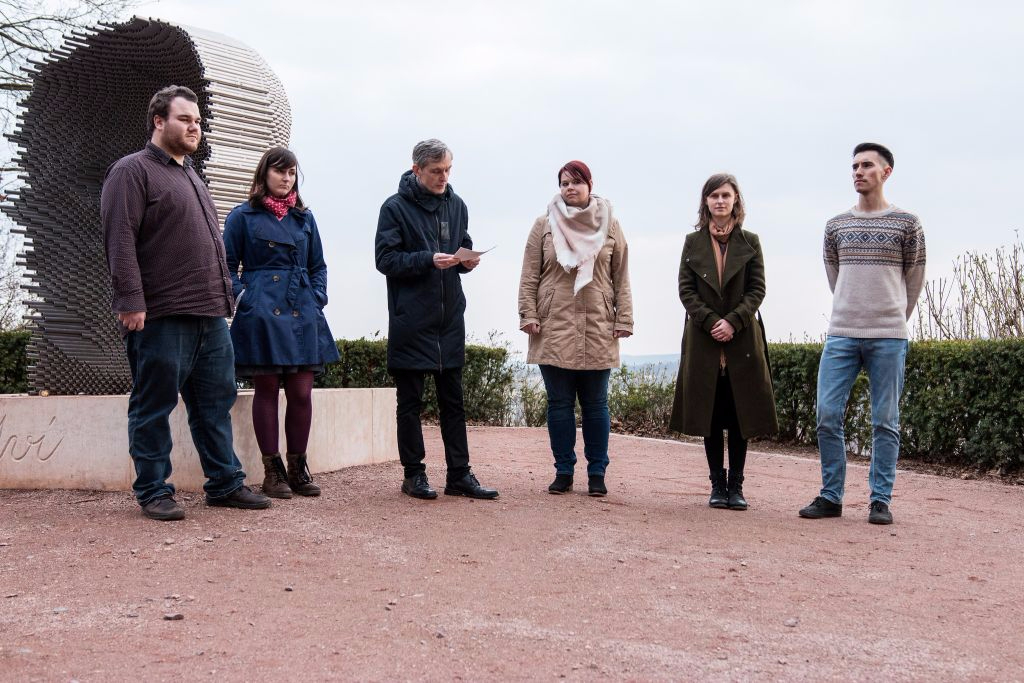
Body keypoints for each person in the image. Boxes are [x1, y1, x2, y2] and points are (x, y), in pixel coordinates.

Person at [101, 85, 271, 521]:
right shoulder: (131, 171)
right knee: (153, 406)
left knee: (215, 404)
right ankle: (153, 491)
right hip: (160, 315)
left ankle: (225, 483)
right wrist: (130, 300)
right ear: (159, 121)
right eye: (184, 119)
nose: (195, 127)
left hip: (210, 315)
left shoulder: (191, 175)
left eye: (197, 121)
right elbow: (119, 240)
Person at [799, 143, 925, 525]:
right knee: (826, 414)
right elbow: (834, 276)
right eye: (854, 166)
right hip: (842, 333)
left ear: (886, 172)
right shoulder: (835, 226)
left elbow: (914, 279)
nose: (858, 172)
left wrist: (893, 317)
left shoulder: (907, 224)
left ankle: (880, 500)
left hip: (889, 335)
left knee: (885, 420)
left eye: (867, 165)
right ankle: (831, 496)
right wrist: (852, 309)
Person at [374, 139, 499, 501]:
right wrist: (426, 259)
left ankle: (459, 475)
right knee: (410, 404)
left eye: (448, 169)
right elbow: (385, 260)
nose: (444, 177)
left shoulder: (457, 205)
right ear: (417, 170)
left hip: (450, 320)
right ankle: (413, 475)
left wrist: (467, 261)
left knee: (454, 404)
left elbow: (462, 242)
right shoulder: (394, 208)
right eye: (436, 171)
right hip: (411, 321)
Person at [222, 147, 340, 499]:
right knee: (268, 391)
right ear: (264, 174)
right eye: (279, 171)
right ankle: (272, 472)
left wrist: (317, 297)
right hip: (263, 312)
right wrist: (245, 298)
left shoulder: (305, 218)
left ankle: (297, 468)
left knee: (302, 392)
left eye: (291, 173)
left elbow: (318, 265)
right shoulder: (242, 216)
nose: (286, 178)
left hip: (302, 308)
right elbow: (226, 266)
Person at [517, 161, 633, 497]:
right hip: (554, 324)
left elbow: (621, 275)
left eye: (576, 182)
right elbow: (529, 274)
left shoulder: (610, 224)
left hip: (598, 323)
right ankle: (563, 471)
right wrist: (528, 313)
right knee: (559, 404)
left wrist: (624, 318)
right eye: (564, 183)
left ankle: (597, 473)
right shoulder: (544, 224)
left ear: (589, 185)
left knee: (596, 404)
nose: (570, 188)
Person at [669, 173, 778, 510]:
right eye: (714, 195)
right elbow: (685, 290)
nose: (720, 201)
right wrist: (711, 321)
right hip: (704, 340)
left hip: (741, 338)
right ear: (706, 201)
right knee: (711, 416)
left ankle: (737, 486)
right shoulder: (692, 242)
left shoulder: (751, 241)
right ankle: (717, 484)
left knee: (741, 415)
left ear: (735, 201)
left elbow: (757, 289)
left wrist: (732, 321)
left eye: (725, 195)